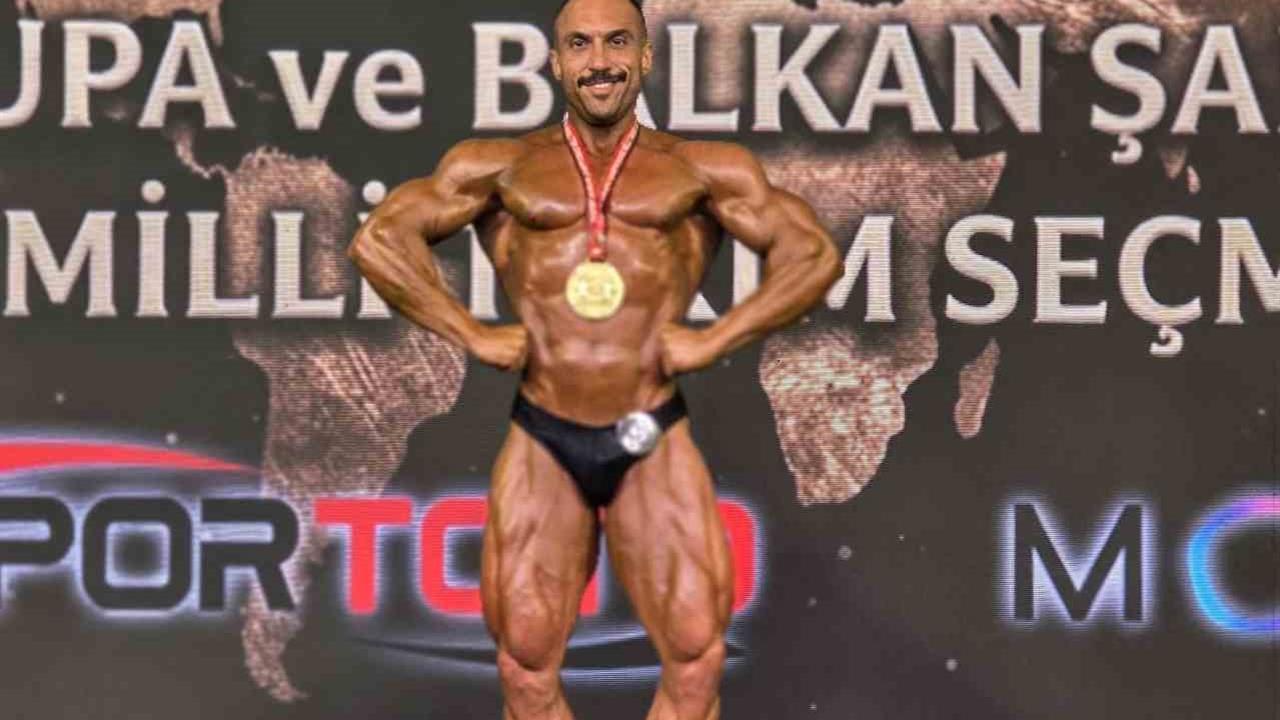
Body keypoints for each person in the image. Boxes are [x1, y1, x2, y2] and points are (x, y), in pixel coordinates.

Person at [347, 0, 841, 716]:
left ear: (644, 57)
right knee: (525, 660)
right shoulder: (501, 165)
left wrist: (717, 337)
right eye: (579, 44)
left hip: (648, 428)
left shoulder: (701, 168)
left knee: (695, 654)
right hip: (545, 429)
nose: (599, 61)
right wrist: (470, 332)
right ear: (555, 62)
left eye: (616, 42)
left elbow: (812, 253)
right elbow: (380, 240)